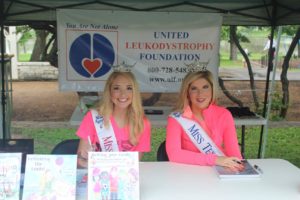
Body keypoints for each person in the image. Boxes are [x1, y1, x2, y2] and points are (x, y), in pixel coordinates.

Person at [166, 70, 243, 170]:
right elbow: (174, 154)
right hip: (187, 173)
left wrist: (236, 166)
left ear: (212, 90)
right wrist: (215, 159)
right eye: (194, 89)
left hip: (218, 172)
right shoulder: (176, 118)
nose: (200, 93)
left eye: (205, 87)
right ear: (187, 93)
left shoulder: (224, 115)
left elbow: (234, 153)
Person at [76, 71, 151, 168]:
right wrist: (86, 159)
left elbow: (134, 165)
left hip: (125, 179)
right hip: (97, 177)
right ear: (110, 92)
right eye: (117, 88)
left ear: (135, 93)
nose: (123, 94)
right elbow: (81, 161)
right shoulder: (93, 118)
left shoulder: (142, 124)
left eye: (129, 88)